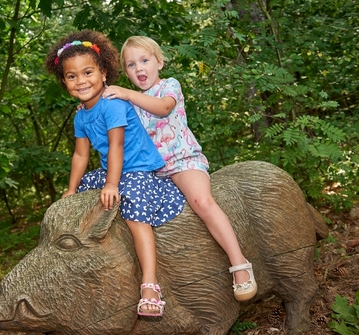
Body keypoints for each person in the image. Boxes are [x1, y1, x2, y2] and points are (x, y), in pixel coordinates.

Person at [103, 35, 257, 302]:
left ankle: (239, 263)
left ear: (159, 62)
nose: (139, 68)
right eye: (130, 65)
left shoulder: (168, 87)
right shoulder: (130, 103)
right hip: (153, 170)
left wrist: (127, 94)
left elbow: (163, 109)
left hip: (182, 160)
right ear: (125, 72)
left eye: (144, 60)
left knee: (202, 201)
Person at [44, 29, 187, 316]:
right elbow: (81, 154)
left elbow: (116, 146)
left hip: (137, 169)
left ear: (104, 72)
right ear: (64, 82)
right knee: (82, 192)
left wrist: (111, 185)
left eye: (87, 72)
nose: (81, 80)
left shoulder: (112, 105)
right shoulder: (81, 114)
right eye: (72, 76)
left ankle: (150, 284)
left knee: (134, 212)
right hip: (114, 170)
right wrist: (71, 190)